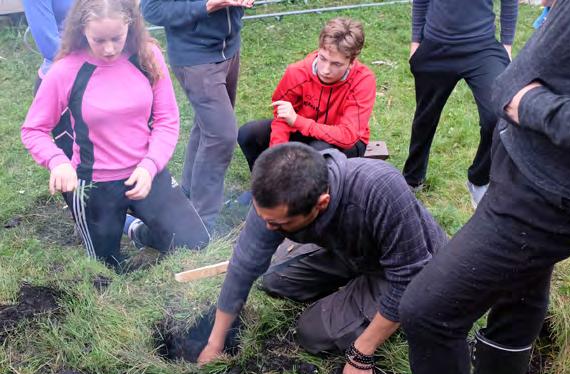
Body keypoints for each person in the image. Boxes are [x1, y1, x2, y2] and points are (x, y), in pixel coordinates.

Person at [399, 1, 570, 374]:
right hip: (523, 160)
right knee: (525, 282)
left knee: (426, 312)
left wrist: (531, 104)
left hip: (546, 195)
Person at [197, 143, 448, 374]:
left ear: (321, 203)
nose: (267, 227)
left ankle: (371, 301)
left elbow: (408, 278)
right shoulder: (274, 198)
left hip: (410, 269)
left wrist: (361, 354)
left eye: (278, 224)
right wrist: (215, 343)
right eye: (264, 218)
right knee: (274, 278)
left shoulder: (380, 189)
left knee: (312, 332)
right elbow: (243, 265)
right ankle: (357, 291)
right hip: (350, 253)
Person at [21, 0, 210, 268]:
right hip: (95, 184)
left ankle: (138, 232)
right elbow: (34, 129)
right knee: (106, 268)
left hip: (145, 174)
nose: (108, 49)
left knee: (196, 241)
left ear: (130, 26)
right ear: (81, 30)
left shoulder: (148, 56)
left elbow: (167, 119)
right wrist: (58, 162)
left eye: (116, 38)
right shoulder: (66, 70)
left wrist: (150, 165)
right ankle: (124, 227)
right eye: (99, 40)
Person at [141, 0, 254, 232]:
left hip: (230, 48)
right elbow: (152, 9)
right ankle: (203, 222)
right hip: (195, 57)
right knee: (221, 135)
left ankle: (188, 197)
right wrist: (206, 6)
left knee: (208, 127)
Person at [404, 0, 517, 208]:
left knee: (498, 114)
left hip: (482, 48)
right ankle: (413, 178)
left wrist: (507, 44)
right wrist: (415, 43)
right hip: (435, 45)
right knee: (425, 117)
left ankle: (478, 179)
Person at [237, 17, 376, 172]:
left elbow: (347, 136)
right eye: (323, 58)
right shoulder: (297, 73)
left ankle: (318, 194)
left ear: (352, 61)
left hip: (346, 143)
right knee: (248, 133)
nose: (326, 70)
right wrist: (277, 153)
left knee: (317, 153)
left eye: (336, 64)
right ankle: (266, 184)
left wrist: (298, 121)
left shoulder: (363, 80)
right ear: (319, 49)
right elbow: (282, 117)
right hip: (304, 131)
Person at [23, 0, 74, 158]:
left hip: (109, 68)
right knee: (78, 166)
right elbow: (50, 45)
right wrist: (93, 67)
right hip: (65, 81)